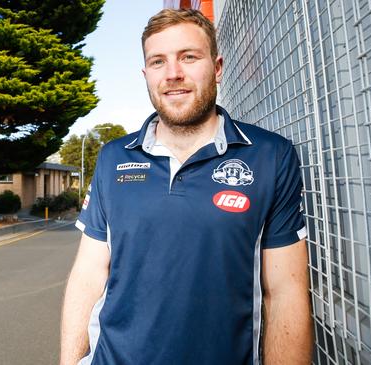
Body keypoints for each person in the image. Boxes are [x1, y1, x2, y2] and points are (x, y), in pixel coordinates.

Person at [60, 8, 313, 365]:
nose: (173, 74)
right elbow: (88, 275)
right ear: (146, 74)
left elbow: (285, 292)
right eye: (158, 62)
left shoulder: (271, 156)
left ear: (218, 67)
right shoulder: (113, 157)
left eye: (189, 57)